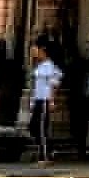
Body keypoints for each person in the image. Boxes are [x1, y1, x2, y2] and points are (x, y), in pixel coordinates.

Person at [29, 37, 63, 165]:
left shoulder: (50, 66)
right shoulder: (40, 66)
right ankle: (50, 149)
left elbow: (54, 83)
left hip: (45, 100)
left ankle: (45, 156)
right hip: (38, 99)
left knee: (42, 128)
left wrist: (52, 100)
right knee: (33, 127)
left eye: (35, 50)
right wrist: (33, 100)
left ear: (42, 50)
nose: (33, 53)